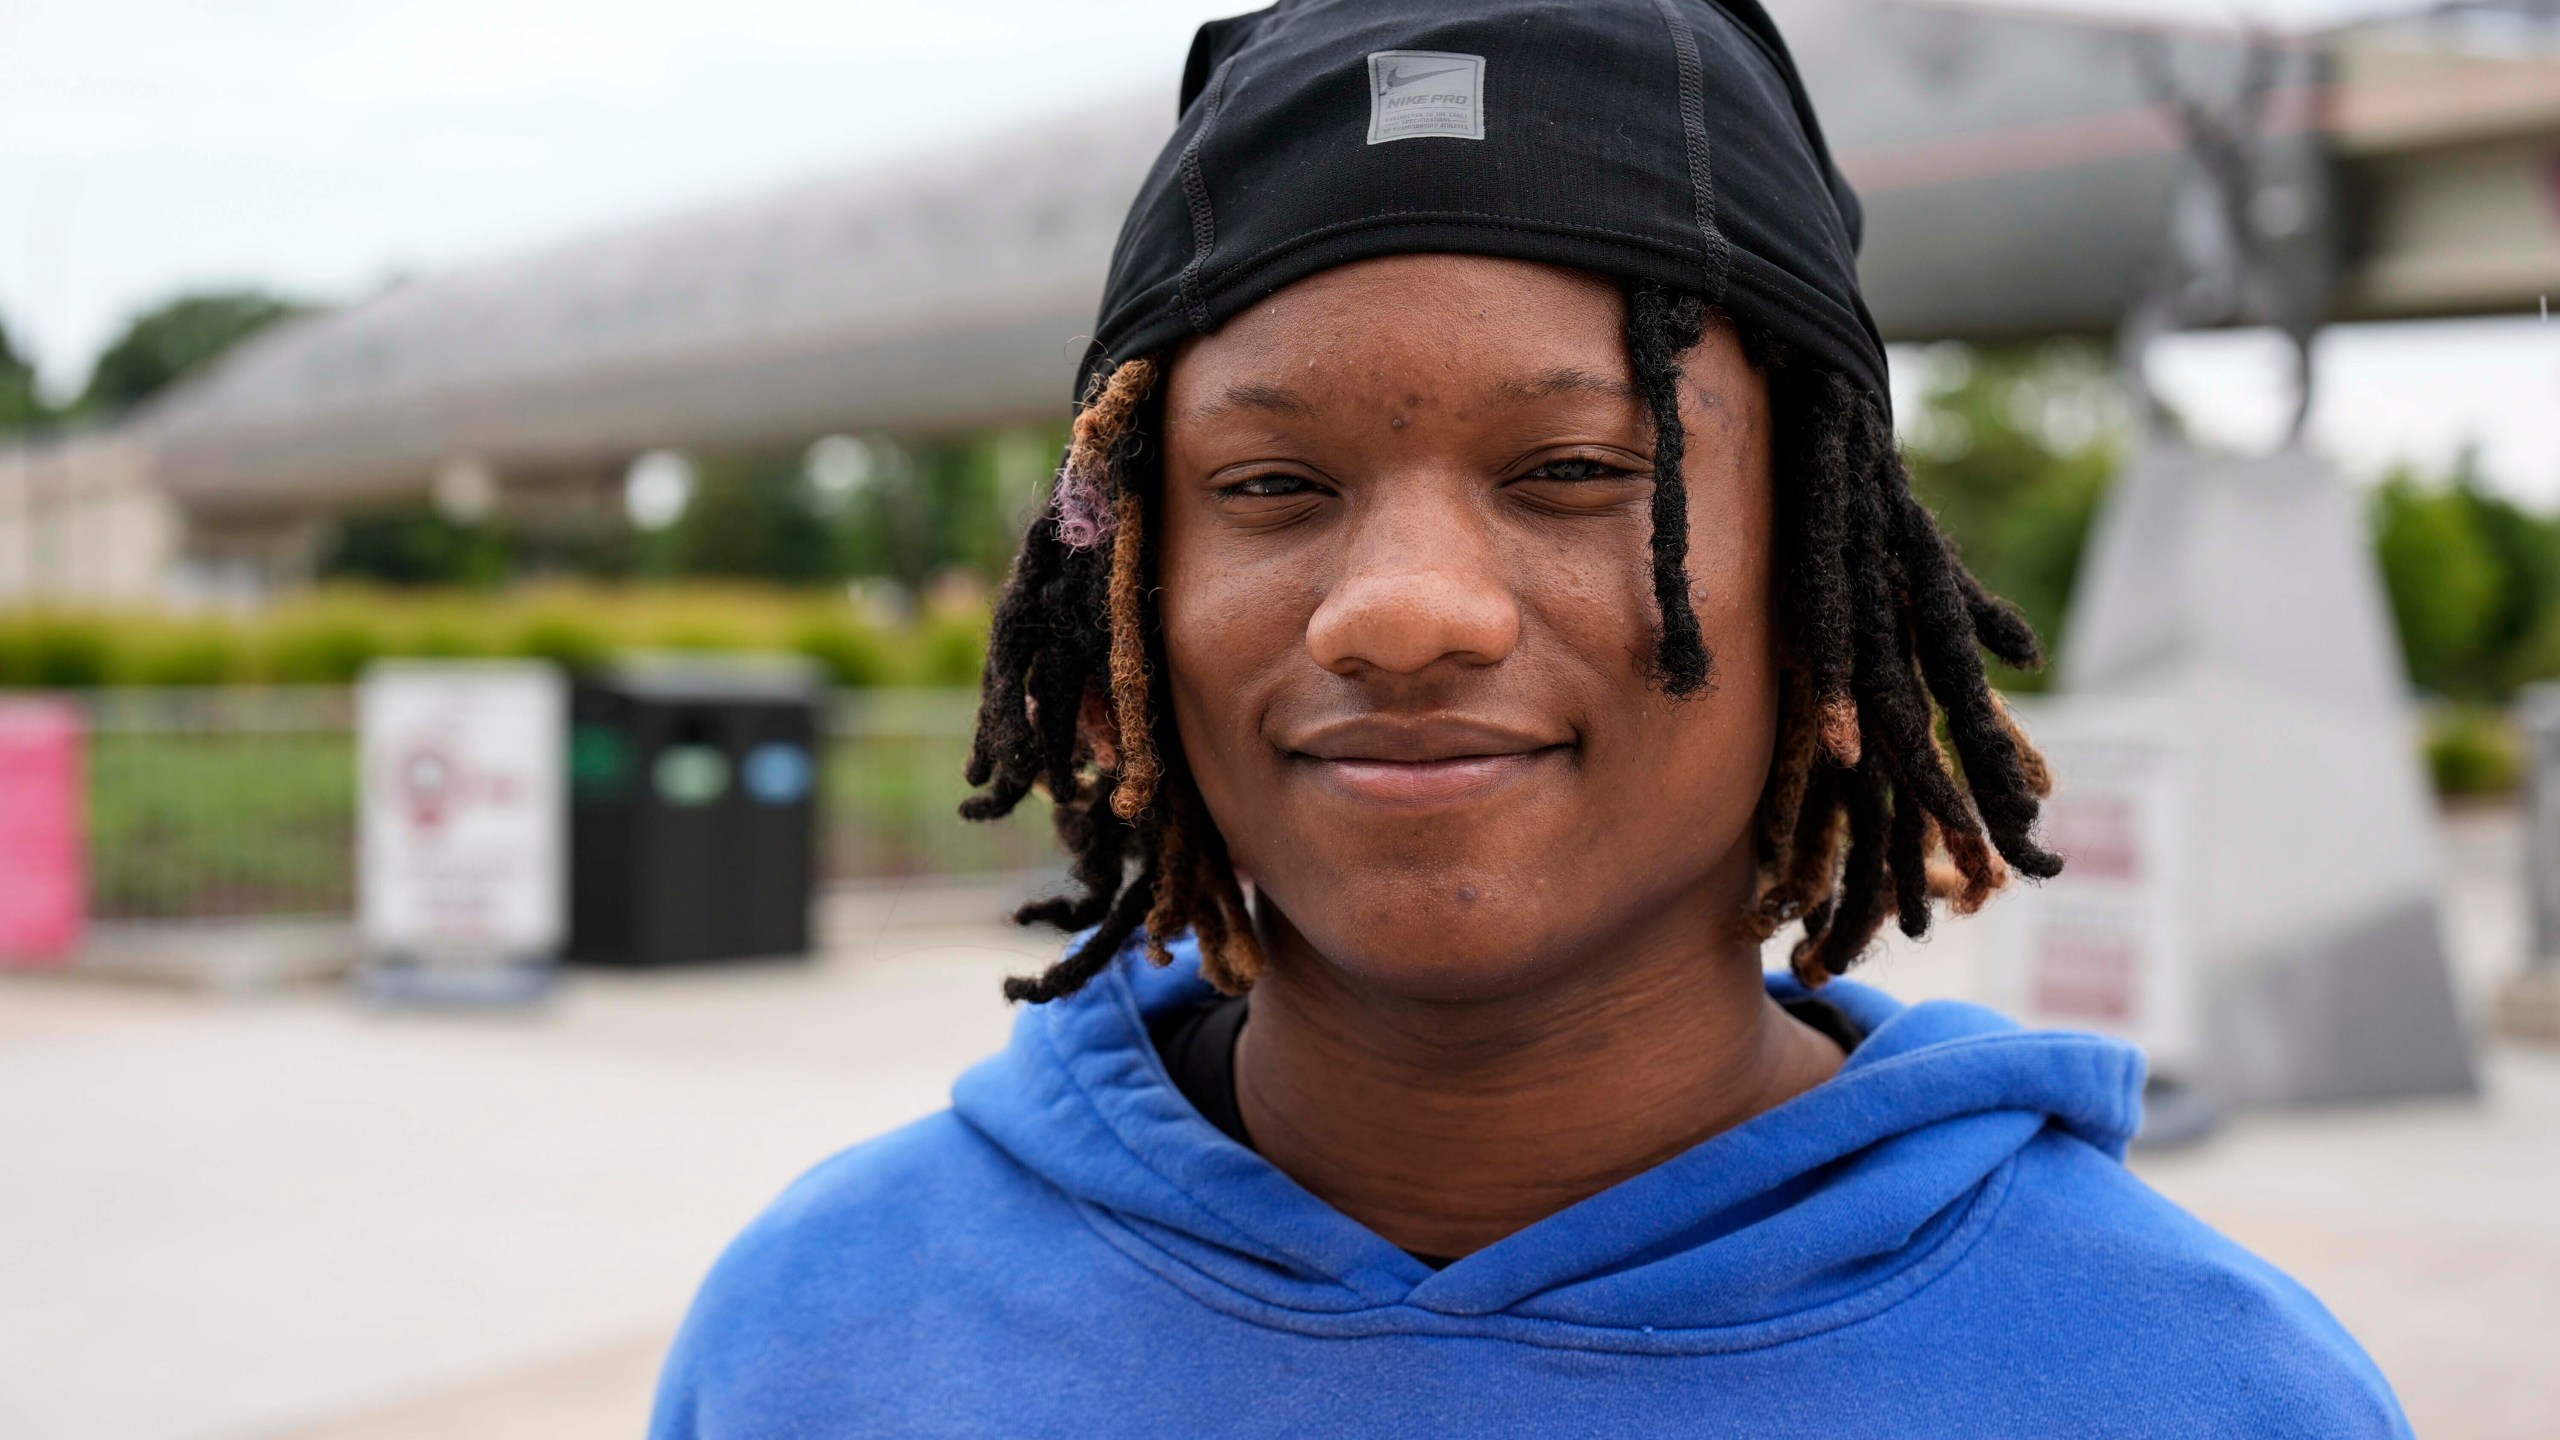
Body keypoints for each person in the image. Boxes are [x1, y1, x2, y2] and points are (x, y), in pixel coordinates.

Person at [652, 2, 2410, 1434]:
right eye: (1269, 484)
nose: (1402, 612)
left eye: (1576, 471)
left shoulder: (2200, 1387)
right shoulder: (824, 1326)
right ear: (1127, 604)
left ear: (1824, 587)